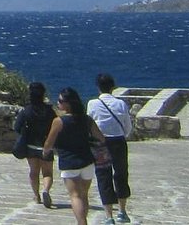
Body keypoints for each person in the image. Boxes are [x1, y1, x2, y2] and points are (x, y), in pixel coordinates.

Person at [42, 87, 104, 225]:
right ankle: (82, 221)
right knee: (83, 195)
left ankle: (82, 223)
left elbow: (49, 143)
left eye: (60, 101)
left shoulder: (59, 121)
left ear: (68, 103)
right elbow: (101, 138)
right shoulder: (87, 119)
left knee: (75, 196)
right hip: (87, 161)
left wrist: (45, 152)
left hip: (69, 162)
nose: (58, 103)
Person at [88, 73, 133, 223]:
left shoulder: (92, 104)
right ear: (113, 87)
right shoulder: (121, 104)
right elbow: (128, 127)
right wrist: (120, 135)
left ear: (97, 87)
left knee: (103, 176)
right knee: (121, 174)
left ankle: (109, 216)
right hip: (119, 142)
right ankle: (122, 211)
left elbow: (90, 125)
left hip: (100, 144)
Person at [13, 81, 57, 207]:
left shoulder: (26, 111)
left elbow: (17, 128)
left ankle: (36, 196)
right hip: (46, 146)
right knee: (47, 173)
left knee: (34, 171)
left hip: (30, 146)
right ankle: (46, 190)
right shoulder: (49, 111)